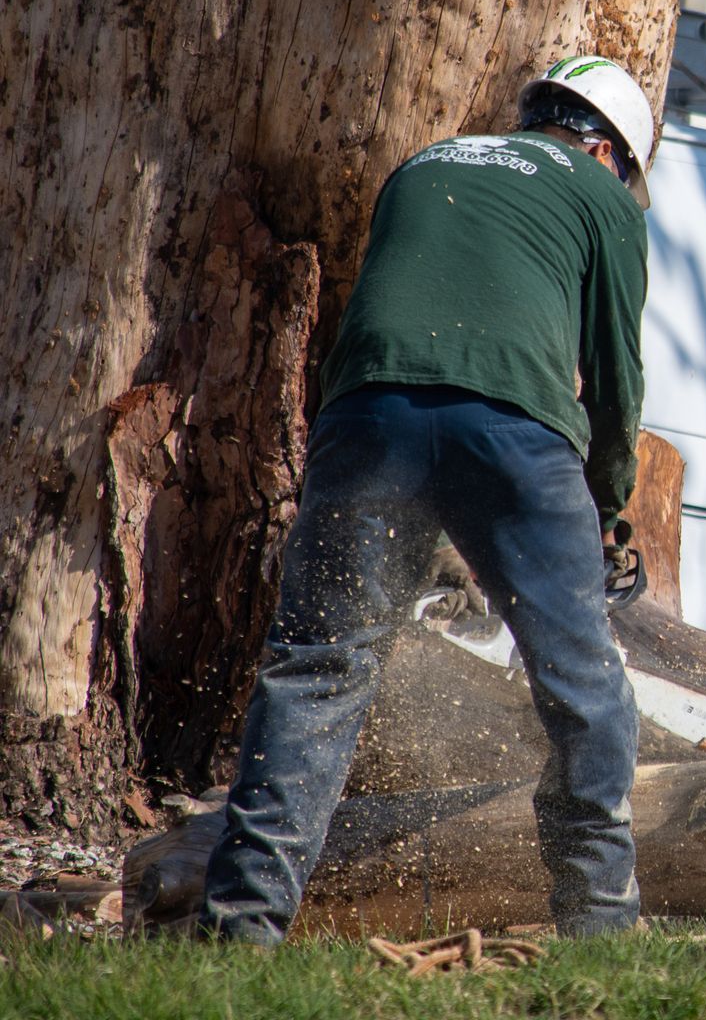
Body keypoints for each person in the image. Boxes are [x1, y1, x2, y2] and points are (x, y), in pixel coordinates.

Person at [199, 56, 656, 943]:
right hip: (518, 433)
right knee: (582, 685)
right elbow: (615, 380)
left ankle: (243, 924)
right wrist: (605, 512)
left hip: (369, 415)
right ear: (606, 150)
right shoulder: (604, 201)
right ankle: (599, 923)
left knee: (317, 666)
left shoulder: (427, 161)